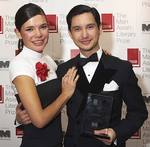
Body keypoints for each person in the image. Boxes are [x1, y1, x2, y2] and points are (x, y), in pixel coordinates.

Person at [15, 4, 148, 147]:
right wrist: (20, 117)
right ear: (71, 34)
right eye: (77, 29)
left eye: (90, 27)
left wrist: (116, 132)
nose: (84, 35)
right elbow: (43, 105)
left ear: (100, 29)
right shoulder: (62, 70)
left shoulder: (122, 68)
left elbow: (138, 112)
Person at [9, 3, 79, 147]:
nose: (39, 34)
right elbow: (39, 121)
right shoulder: (19, 64)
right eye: (30, 29)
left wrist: (102, 57)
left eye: (43, 26)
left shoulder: (48, 60)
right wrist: (65, 94)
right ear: (18, 33)